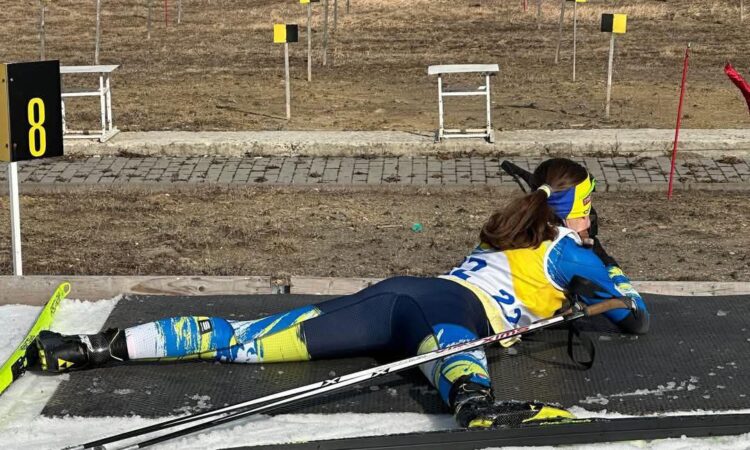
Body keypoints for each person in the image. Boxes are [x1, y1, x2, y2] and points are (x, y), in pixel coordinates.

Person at [33, 158, 649, 428]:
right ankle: (474, 402)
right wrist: (607, 267)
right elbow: (634, 319)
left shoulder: (511, 227)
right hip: (445, 309)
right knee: (452, 341)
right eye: (590, 205)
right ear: (577, 207)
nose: (593, 215)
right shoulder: (572, 253)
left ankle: (91, 348)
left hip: (398, 298)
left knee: (244, 341)